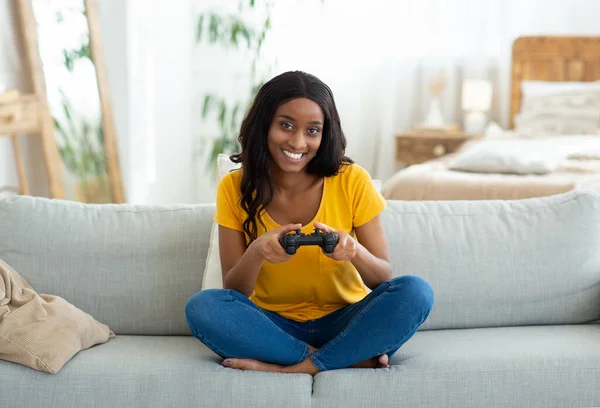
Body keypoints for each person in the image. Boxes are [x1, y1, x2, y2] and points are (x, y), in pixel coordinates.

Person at [185, 71, 434, 375]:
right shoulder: (234, 187)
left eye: (312, 130)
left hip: (347, 322)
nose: (298, 141)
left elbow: (383, 277)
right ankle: (343, 360)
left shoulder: (352, 180)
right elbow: (234, 291)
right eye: (286, 126)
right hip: (273, 327)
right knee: (202, 307)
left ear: (324, 134)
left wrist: (353, 251)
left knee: (416, 291)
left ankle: (293, 367)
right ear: (265, 124)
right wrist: (258, 252)